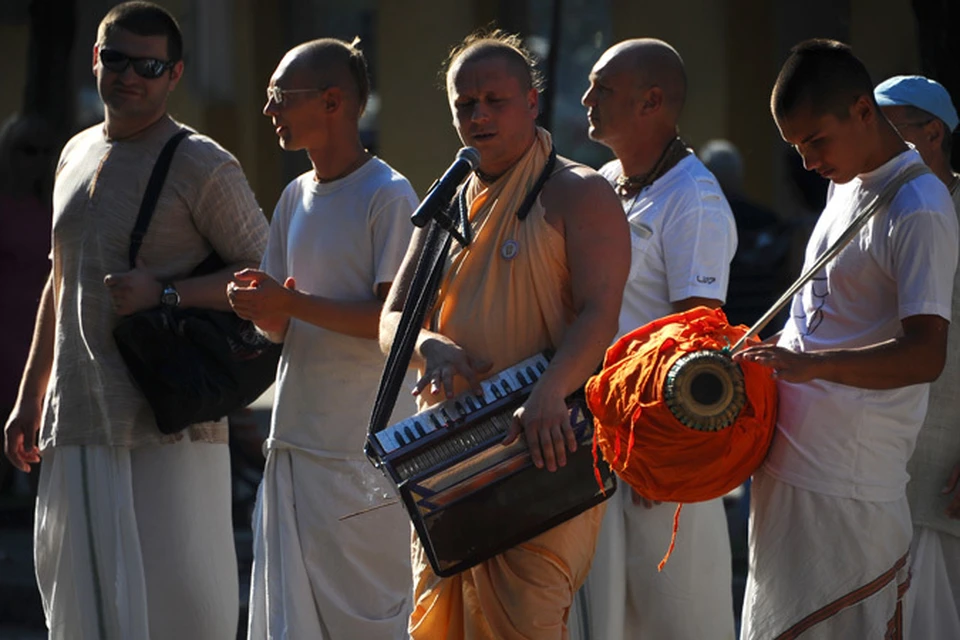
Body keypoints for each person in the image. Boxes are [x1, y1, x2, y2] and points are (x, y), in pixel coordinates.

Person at [2, 3, 270, 638]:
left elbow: (267, 276)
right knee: (78, 606)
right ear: (96, 60)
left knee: (178, 609)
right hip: (77, 417)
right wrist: (29, 394)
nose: (129, 76)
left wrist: (167, 292)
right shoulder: (74, 151)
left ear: (174, 74)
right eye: (116, 59)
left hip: (166, 419)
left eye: (148, 65)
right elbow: (59, 277)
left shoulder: (203, 163)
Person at [379, 30, 630, 639]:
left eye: (494, 100)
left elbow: (601, 313)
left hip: (542, 447)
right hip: (454, 460)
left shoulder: (579, 191)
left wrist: (549, 391)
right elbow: (391, 318)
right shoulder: (447, 206)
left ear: (532, 102)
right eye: (465, 104)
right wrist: (427, 345)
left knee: (529, 617)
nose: (478, 115)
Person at [736, 40, 958, 639]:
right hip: (790, 468)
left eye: (816, 141)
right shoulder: (845, 182)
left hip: (849, 485)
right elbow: (819, 313)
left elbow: (926, 353)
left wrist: (813, 367)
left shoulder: (920, 206)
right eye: (796, 147)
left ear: (864, 111)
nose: (807, 162)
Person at [226, 38, 418, 639]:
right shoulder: (292, 196)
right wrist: (262, 308)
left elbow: (393, 323)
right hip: (298, 438)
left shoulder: (388, 194)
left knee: (373, 614)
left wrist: (289, 303)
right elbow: (282, 326)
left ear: (333, 101)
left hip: (363, 447)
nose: (269, 111)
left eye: (280, 97)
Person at [573, 39, 738, 640]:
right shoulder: (605, 181)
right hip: (602, 443)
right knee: (607, 618)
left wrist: (659, 454)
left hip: (660, 455)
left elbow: (698, 340)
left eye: (602, 89)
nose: (586, 100)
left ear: (652, 101)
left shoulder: (694, 198)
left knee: (673, 619)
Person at [873, 74, 960, 639]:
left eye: (891, 133)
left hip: (944, 471)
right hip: (876, 467)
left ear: (933, 133)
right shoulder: (869, 207)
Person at [0, 113, 56, 499]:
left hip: (40, 329)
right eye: (25, 150)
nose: (32, 160)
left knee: (41, 422)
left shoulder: (52, 207)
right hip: (4, 326)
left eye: (41, 152)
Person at [700, 138, 790, 334]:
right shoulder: (768, 220)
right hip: (762, 324)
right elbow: (785, 273)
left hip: (722, 327)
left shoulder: (704, 221)